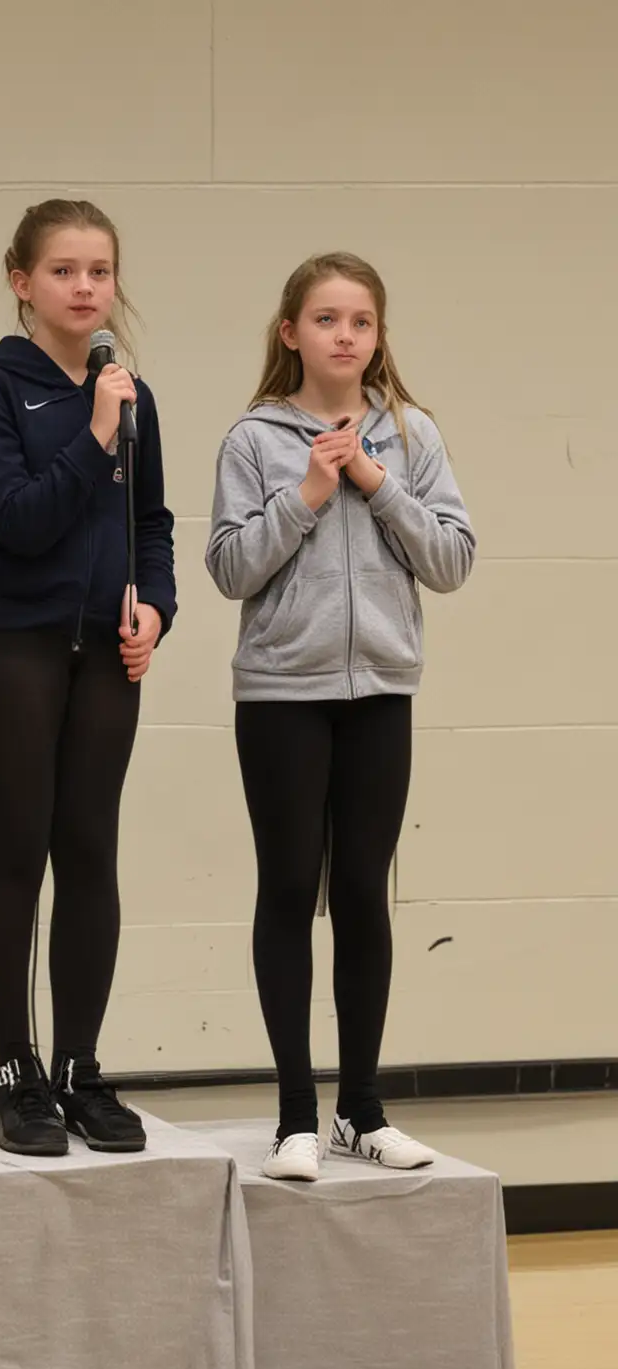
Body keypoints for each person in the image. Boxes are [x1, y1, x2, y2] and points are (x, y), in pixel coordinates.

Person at [206, 252, 476, 1181]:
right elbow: (231, 568)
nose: (344, 336)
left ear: (377, 337)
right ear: (292, 333)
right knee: (288, 889)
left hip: (381, 696)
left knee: (363, 893)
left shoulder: (412, 433)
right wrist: (310, 492)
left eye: (360, 322)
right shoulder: (252, 440)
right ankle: (294, 1116)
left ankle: (362, 1107)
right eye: (325, 320)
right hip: (283, 695)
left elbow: (451, 559)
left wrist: (372, 478)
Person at [0, 200, 177, 1157]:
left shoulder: (135, 393)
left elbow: (154, 523)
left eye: (100, 271)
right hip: (13, 644)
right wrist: (90, 434)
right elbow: (20, 520)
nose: (85, 288)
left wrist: (156, 608)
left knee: (91, 847)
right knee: (20, 845)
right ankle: (16, 1071)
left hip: (105, 650)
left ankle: (81, 1066)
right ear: (21, 282)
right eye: (64, 271)